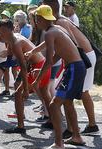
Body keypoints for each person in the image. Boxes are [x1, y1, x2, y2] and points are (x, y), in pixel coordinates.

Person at [39, 0, 99, 136]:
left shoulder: (60, 22)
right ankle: (79, 128)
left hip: (83, 58)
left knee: (77, 92)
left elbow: (72, 44)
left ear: (49, 8)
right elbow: (51, 42)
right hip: (81, 58)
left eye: (42, 5)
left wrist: (55, 63)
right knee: (71, 93)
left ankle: (83, 128)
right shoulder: (57, 23)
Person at [0, 19, 52, 133]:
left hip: (38, 67)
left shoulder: (16, 43)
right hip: (39, 65)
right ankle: (52, 121)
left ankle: (21, 126)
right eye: (0, 31)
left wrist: (25, 89)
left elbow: (23, 67)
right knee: (44, 94)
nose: (2, 34)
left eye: (4, 32)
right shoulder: (9, 38)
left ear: (11, 30)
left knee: (19, 94)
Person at [33, 5, 85, 149]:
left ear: (39, 19)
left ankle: (58, 144)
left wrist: (37, 79)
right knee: (67, 102)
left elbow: (49, 61)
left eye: (37, 18)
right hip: (75, 67)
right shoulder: (55, 29)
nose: (36, 21)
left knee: (54, 105)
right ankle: (76, 136)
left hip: (74, 68)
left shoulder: (50, 33)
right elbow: (59, 54)